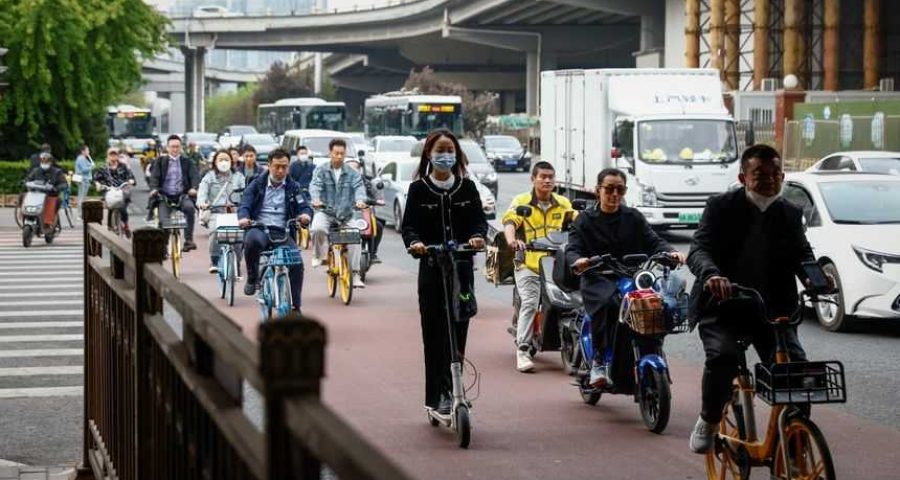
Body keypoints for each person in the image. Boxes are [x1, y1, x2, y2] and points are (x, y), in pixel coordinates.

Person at [687, 145, 823, 454]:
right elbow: (698, 249)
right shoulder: (720, 207)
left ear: (783, 176)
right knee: (722, 359)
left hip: (773, 309)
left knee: (796, 374)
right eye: (760, 175)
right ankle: (708, 419)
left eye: (776, 174)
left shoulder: (789, 212)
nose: (769, 181)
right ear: (743, 177)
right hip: (723, 305)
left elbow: (802, 253)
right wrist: (711, 275)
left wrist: (815, 278)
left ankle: (795, 445)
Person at [565, 168, 686, 388]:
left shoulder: (633, 217)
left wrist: (670, 252)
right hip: (597, 277)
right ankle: (599, 361)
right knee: (608, 303)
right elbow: (573, 248)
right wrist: (580, 261)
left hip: (630, 276)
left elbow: (654, 241)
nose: (614, 194)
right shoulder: (584, 220)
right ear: (598, 190)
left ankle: (648, 349)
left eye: (620, 189)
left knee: (656, 303)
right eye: (609, 189)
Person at [401, 129, 487, 415]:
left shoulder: (467, 188)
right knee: (435, 334)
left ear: (457, 154)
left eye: (450, 149)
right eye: (439, 150)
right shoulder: (418, 190)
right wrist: (415, 243)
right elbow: (409, 227)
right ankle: (436, 396)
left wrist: (476, 237)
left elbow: (479, 223)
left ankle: (455, 390)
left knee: (459, 329)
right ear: (429, 153)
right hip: (431, 271)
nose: (445, 155)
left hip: (461, 271)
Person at [502, 161, 575, 372]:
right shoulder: (522, 201)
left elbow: (578, 224)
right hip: (529, 264)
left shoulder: (563, 203)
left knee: (574, 300)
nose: (547, 180)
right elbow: (509, 223)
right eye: (542, 176)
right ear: (533, 179)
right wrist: (512, 241)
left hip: (556, 264)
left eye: (551, 176)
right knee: (531, 303)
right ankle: (522, 351)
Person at [237, 149, 312, 311]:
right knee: (251, 241)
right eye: (277, 167)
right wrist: (243, 217)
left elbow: (304, 205)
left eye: (284, 167)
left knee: (297, 263)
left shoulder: (293, 187)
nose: (280, 171)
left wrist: (305, 215)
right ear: (269, 165)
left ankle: (296, 306)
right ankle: (252, 277)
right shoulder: (256, 184)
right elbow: (245, 204)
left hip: (283, 231)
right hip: (259, 228)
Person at [308, 138, 368, 287]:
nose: (339, 156)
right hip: (325, 211)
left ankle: (355, 275)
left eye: (342, 153)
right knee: (317, 228)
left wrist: (360, 200)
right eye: (336, 153)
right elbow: (315, 185)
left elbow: (359, 187)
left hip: (346, 213)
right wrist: (316, 199)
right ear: (330, 153)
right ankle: (319, 255)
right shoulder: (321, 170)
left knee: (355, 235)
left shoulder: (352, 172)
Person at [148, 134, 200, 252]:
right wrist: (154, 189)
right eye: (172, 147)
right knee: (163, 221)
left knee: (190, 208)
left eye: (177, 147)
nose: (175, 149)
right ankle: (164, 245)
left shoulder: (187, 161)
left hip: (182, 195)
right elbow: (154, 177)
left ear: (181, 147)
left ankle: (188, 240)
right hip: (164, 196)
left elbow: (195, 176)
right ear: (167, 148)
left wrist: (194, 188)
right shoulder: (160, 161)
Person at [198, 150, 247, 273]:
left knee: (238, 236)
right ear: (215, 162)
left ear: (231, 161)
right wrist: (202, 203)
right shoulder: (209, 177)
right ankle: (214, 260)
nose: (223, 162)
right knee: (215, 231)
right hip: (216, 212)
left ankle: (237, 261)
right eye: (220, 159)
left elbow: (245, 193)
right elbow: (202, 192)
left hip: (234, 212)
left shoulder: (239, 177)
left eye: (226, 159)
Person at [345, 158, 386, 263]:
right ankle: (331, 252)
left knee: (378, 226)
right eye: (350, 167)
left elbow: (373, 195)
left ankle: (373, 253)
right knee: (332, 227)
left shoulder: (366, 182)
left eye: (356, 168)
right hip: (345, 214)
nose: (353, 170)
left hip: (363, 213)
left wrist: (377, 201)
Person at [93, 148, 136, 237]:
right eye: (111, 155)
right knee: (110, 207)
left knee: (123, 207)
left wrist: (131, 180)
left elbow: (131, 176)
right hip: (109, 190)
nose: (113, 157)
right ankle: (110, 227)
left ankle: (126, 225)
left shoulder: (123, 166)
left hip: (121, 190)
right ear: (108, 156)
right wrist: (98, 184)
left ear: (117, 156)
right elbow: (96, 178)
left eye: (115, 154)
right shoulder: (103, 167)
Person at [25, 153, 68, 230]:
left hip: (52, 195)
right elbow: (28, 179)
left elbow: (64, 184)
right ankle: (25, 216)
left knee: (51, 201)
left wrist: (55, 188)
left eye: (46, 161)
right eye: (42, 161)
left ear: (50, 162)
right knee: (23, 196)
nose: (44, 163)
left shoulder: (57, 172)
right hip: (37, 195)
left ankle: (48, 223)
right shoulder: (36, 171)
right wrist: (26, 183)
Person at [74, 145, 95, 213]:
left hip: (85, 180)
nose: (88, 152)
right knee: (81, 197)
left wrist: (91, 163)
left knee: (83, 196)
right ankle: (80, 213)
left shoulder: (84, 158)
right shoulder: (81, 158)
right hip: (83, 180)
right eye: (87, 150)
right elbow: (84, 169)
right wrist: (91, 167)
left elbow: (89, 165)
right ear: (83, 151)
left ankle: (81, 212)